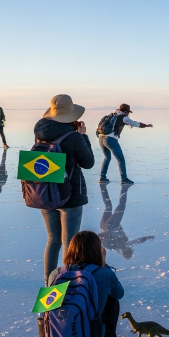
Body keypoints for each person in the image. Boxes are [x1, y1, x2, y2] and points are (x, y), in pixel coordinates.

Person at [41, 231, 125, 337]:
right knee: (113, 300)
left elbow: (44, 309)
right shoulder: (104, 273)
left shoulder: (56, 274)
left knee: (52, 308)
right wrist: (104, 265)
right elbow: (119, 293)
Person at [34, 94, 95, 280]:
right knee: (69, 243)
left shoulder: (40, 133)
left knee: (52, 241)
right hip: (70, 196)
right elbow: (89, 162)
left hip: (45, 193)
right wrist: (83, 137)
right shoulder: (74, 137)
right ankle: (66, 283)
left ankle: (49, 283)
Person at [98, 103, 153, 185]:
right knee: (121, 159)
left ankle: (102, 177)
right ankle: (124, 179)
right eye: (128, 112)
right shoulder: (123, 117)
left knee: (107, 157)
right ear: (125, 111)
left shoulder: (113, 114)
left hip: (101, 138)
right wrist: (146, 125)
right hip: (110, 139)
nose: (128, 114)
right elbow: (135, 123)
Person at [99, 183, 154, 259]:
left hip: (112, 225)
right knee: (108, 207)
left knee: (122, 205)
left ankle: (124, 188)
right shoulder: (115, 248)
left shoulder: (125, 246)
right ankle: (102, 187)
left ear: (128, 251)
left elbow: (138, 241)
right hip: (102, 227)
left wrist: (148, 237)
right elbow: (100, 241)